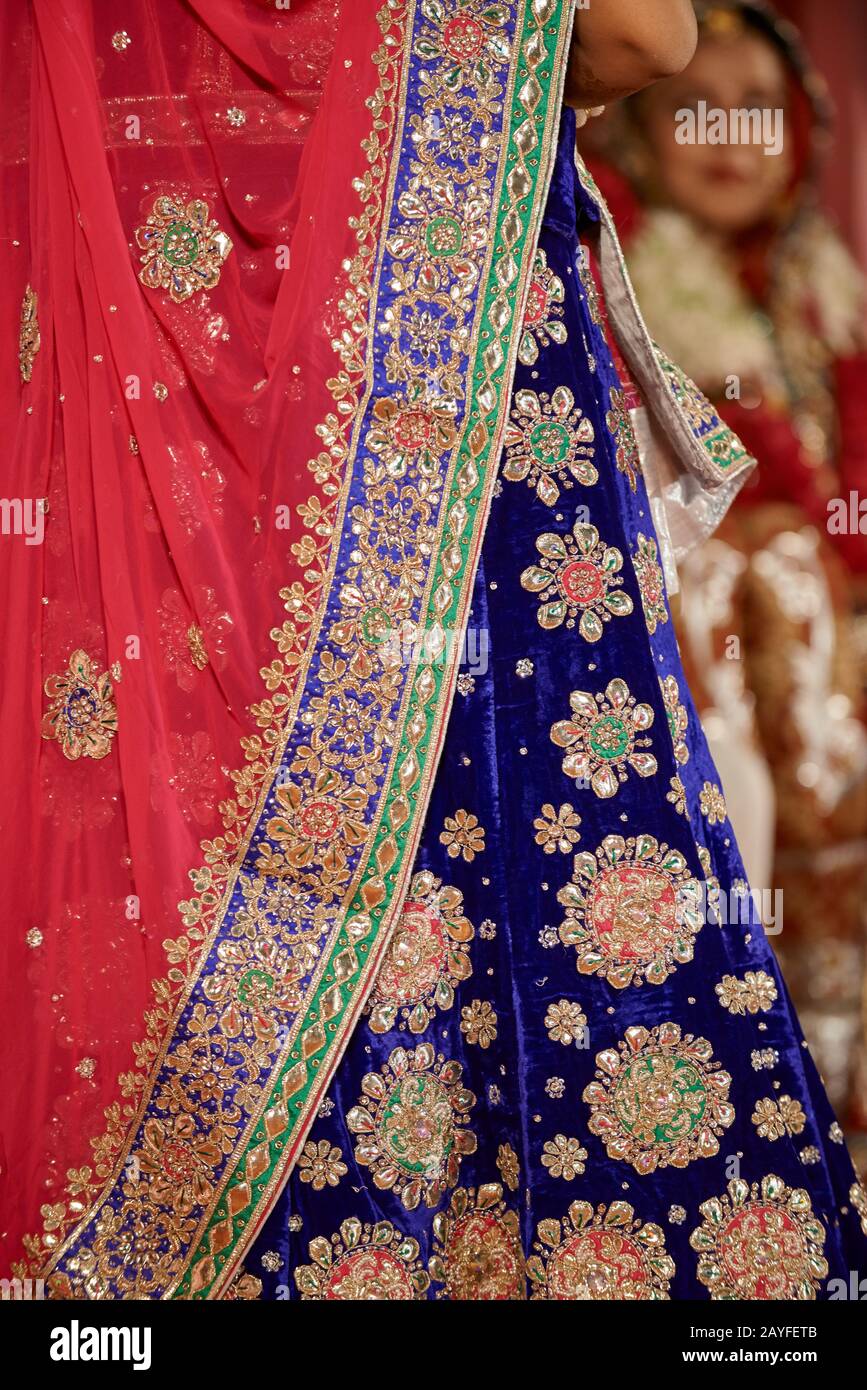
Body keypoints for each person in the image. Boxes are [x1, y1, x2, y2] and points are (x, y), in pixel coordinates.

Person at [3, 0, 866, 1301]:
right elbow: (641, 37)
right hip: (437, 370)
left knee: (154, 822)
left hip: (140, 361)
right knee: (493, 846)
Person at [583, 0, 867, 1166]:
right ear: (635, 127)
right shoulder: (622, 276)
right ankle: (753, 1098)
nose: (729, 135)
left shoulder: (819, 292)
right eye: (698, 106)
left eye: (761, 111)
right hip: (693, 650)